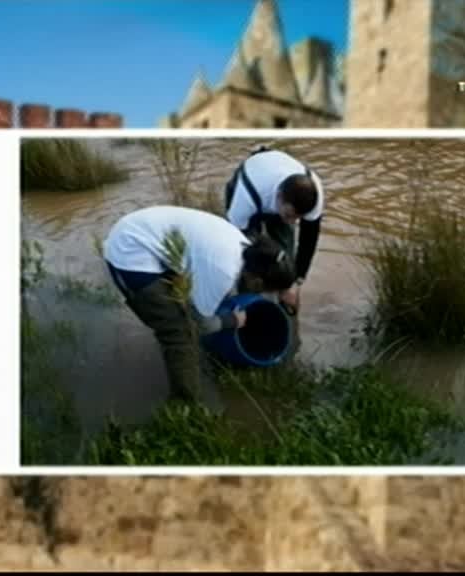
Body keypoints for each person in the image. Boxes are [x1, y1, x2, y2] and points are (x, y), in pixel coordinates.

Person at [103, 205, 296, 403]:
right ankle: (186, 404)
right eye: (265, 290)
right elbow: (199, 324)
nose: (261, 294)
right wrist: (231, 320)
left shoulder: (250, 251)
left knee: (186, 310)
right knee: (180, 332)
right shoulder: (223, 270)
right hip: (130, 251)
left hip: (148, 232)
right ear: (257, 281)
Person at [223, 146, 325, 312]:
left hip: (278, 190)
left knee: (284, 255)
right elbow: (237, 244)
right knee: (250, 259)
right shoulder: (245, 198)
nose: (293, 222)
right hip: (253, 187)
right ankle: (248, 305)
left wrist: (296, 281)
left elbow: (308, 241)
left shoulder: (314, 196)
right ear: (278, 197)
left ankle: (284, 301)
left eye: (298, 218)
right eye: (289, 215)